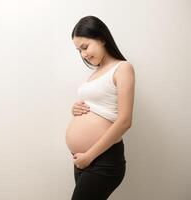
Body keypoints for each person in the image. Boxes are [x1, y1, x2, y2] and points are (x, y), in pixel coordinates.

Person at [69, 16, 135, 199]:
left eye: (85, 47)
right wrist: (75, 110)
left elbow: (125, 121)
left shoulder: (123, 68)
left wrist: (89, 156)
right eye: (78, 51)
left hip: (102, 159)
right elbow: (98, 105)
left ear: (101, 38)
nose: (83, 54)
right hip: (84, 159)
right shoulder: (95, 73)